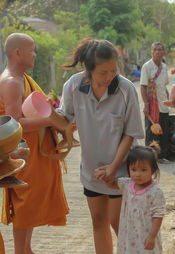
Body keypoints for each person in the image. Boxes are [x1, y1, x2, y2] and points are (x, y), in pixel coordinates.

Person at [49, 38, 144, 254]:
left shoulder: (126, 89)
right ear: (88, 70)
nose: (110, 76)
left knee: (120, 226)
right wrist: (49, 114)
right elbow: (65, 121)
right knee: (98, 222)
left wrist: (113, 168)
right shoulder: (74, 86)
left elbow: (130, 134)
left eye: (113, 70)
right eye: (103, 72)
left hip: (121, 171)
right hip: (92, 171)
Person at [0, 33, 69, 254]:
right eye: (31, 50)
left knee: (29, 208)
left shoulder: (24, 79)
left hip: (34, 155)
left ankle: (26, 250)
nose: (35, 55)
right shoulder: (11, 82)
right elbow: (15, 125)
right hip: (22, 156)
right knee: (25, 205)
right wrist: (51, 120)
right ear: (17, 52)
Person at [95, 143, 165, 254]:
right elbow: (112, 184)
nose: (137, 174)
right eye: (133, 169)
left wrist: (152, 236)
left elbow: (158, 215)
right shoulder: (127, 184)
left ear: (153, 170)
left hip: (146, 235)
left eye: (143, 170)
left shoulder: (155, 192)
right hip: (129, 236)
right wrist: (103, 176)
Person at [140, 42, 170, 163]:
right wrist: (146, 104)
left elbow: (164, 86)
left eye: (160, 50)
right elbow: (143, 86)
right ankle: (151, 157)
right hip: (152, 106)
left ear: (163, 53)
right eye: (155, 50)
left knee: (164, 132)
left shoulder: (164, 67)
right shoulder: (146, 67)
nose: (157, 52)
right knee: (151, 131)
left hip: (163, 104)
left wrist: (170, 100)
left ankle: (162, 156)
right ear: (151, 52)